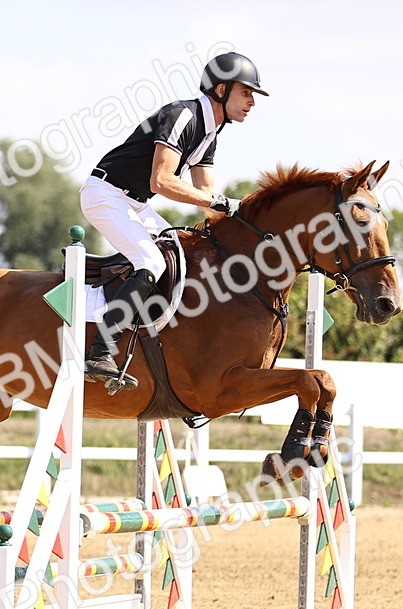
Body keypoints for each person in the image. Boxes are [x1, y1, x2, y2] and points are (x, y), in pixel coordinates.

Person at [79, 51, 268, 388]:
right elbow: (162, 181)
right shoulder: (184, 115)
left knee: (181, 251)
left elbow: (207, 198)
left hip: (133, 204)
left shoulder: (210, 133)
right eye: (246, 92)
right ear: (221, 90)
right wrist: (222, 203)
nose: (252, 102)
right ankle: (99, 350)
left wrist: (251, 230)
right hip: (105, 194)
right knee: (151, 259)